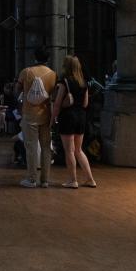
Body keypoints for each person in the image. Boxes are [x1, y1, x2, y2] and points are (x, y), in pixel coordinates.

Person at [51, 55, 98, 189]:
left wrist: (53, 118)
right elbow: (85, 103)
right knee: (78, 150)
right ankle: (90, 179)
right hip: (81, 117)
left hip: (68, 117)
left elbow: (57, 104)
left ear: (67, 66)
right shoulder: (83, 82)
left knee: (69, 151)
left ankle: (73, 180)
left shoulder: (65, 82)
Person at [15, 46, 57, 188]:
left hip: (29, 114)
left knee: (31, 147)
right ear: (48, 59)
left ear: (35, 57)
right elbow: (54, 95)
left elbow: (17, 89)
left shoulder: (27, 72)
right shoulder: (53, 74)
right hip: (46, 115)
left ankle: (32, 179)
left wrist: (23, 100)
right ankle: (45, 180)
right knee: (46, 147)